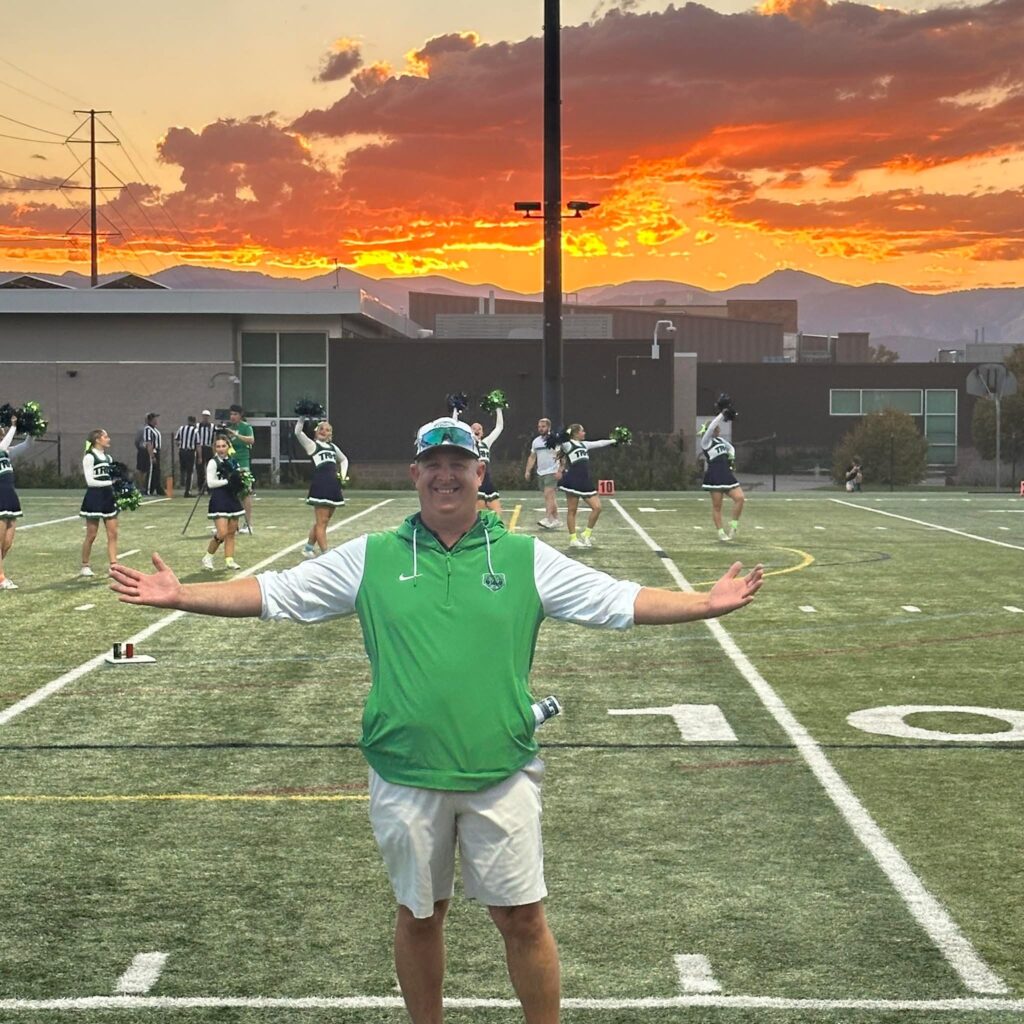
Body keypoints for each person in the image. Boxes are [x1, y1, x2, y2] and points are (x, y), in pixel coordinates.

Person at [109, 413, 764, 1024]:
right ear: (415, 473)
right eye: (435, 464)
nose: (447, 475)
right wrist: (182, 595)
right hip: (404, 774)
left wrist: (703, 602)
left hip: (501, 771)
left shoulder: (523, 558)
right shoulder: (372, 556)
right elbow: (274, 593)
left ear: (481, 474)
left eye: (460, 463)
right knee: (421, 917)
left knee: (524, 921)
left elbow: (618, 599)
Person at [294, 416, 349, 558]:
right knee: (321, 521)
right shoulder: (312, 445)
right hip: (321, 485)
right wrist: (302, 418)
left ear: (331, 434)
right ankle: (326, 553)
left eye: (328, 430)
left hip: (333, 486)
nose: (324, 431)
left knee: (324, 521)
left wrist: (342, 477)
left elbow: (344, 460)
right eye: (321, 429)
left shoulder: (332, 447)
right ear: (316, 431)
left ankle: (308, 548)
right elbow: (298, 433)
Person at [555, 423, 617, 549]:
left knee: (597, 507)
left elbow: (599, 443)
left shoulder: (584, 445)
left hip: (585, 481)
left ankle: (586, 533)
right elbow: (558, 439)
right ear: (576, 433)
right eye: (582, 431)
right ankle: (573, 538)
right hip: (573, 480)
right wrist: (567, 432)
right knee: (572, 510)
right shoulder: (568, 445)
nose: (585, 433)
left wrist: (614, 440)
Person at [700, 407, 745, 542]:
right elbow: (711, 427)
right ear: (712, 430)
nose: (718, 429)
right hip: (715, 475)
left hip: (726, 473)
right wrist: (722, 414)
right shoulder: (706, 442)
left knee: (740, 498)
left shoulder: (721, 441)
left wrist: (731, 459)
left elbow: (731, 448)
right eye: (716, 427)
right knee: (717, 506)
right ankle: (720, 532)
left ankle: (734, 525)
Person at [202, 434, 245, 571]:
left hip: (232, 498)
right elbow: (210, 483)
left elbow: (239, 477)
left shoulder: (234, 461)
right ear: (215, 448)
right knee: (222, 532)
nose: (221, 449)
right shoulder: (213, 462)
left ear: (228, 447)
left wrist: (242, 483)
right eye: (218, 446)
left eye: (223, 446)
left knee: (231, 532)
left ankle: (229, 560)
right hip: (219, 498)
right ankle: (208, 557)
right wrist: (227, 481)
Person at [80, 428, 119, 577]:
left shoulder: (108, 458)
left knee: (113, 533)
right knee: (91, 534)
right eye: (105, 437)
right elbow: (90, 481)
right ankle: (85, 564)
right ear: (97, 440)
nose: (108, 439)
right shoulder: (89, 457)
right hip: (94, 497)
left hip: (108, 497)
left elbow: (113, 477)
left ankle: (114, 566)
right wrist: (111, 482)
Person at [0, 413, 32, 590]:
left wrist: (32, 430)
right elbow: (3, 446)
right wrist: (13, 427)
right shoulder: (2, 449)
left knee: (7, 543)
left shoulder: (6, 452)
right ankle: (1, 578)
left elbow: (27, 445)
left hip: (10, 496)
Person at [524, 418, 561, 530]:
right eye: (539, 426)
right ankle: (556, 520)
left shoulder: (554, 439)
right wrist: (528, 470)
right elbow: (532, 457)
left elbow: (561, 454)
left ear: (549, 427)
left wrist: (560, 470)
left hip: (552, 471)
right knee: (550, 497)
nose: (541, 429)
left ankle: (548, 518)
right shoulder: (536, 441)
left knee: (548, 495)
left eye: (543, 426)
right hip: (541, 472)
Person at [224, 404, 255, 531]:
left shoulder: (246, 427)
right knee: (230, 494)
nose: (233, 417)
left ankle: (248, 524)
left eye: (235, 414)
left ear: (241, 415)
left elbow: (251, 440)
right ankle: (231, 523)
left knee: (245, 493)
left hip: (243, 463)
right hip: (231, 462)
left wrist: (236, 435)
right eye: (231, 414)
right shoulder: (229, 427)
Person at [471, 406, 504, 514]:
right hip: (475, 480)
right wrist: (455, 411)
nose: (476, 430)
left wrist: (498, 408)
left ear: (482, 432)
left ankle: (497, 530)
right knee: (480, 513)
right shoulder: (467, 444)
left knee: (497, 512)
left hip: (487, 481)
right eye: (474, 428)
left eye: (479, 429)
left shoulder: (486, 443)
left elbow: (499, 427)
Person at [136, 412, 162, 496]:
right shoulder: (147, 429)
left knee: (156, 471)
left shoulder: (155, 430)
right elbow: (148, 443)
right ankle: (147, 490)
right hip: (151, 451)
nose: (157, 420)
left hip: (157, 451)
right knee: (149, 471)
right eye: (155, 418)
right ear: (151, 420)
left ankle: (157, 488)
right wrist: (152, 455)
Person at [175, 415, 200, 497]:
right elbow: (198, 444)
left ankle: (182, 481)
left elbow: (176, 440)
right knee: (190, 471)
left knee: (183, 468)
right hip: (190, 452)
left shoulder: (181, 428)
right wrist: (200, 456)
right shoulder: (195, 431)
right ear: (194, 422)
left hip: (182, 451)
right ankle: (187, 491)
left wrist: (180, 445)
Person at [196, 410, 215, 495]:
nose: (205, 417)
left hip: (208, 448)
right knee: (200, 469)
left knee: (210, 469)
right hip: (200, 448)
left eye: (207, 416)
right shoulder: (197, 426)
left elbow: (215, 437)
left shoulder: (212, 426)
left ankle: (209, 488)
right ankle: (201, 488)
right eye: (204, 416)